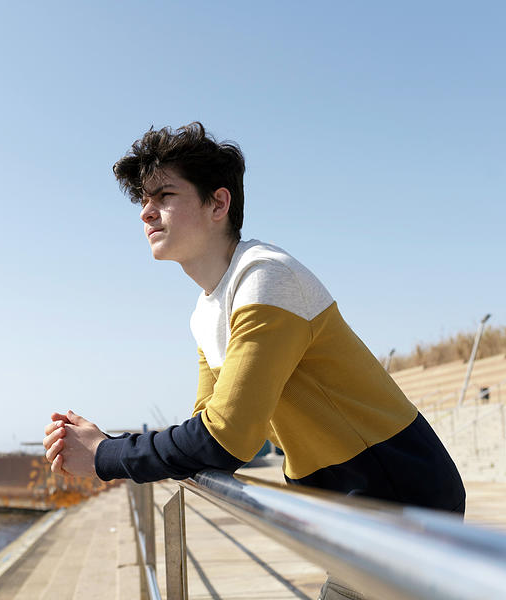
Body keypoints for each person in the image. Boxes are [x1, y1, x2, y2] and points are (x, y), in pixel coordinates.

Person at [42, 122, 465, 599]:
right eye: (143, 199)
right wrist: (108, 448)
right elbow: (208, 422)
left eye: (164, 195)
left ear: (218, 204)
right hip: (350, 512)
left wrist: (106, 453)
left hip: (400, 501)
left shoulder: (265, 277)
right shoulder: (208, 309)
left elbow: (226, 439)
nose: (146, 212)